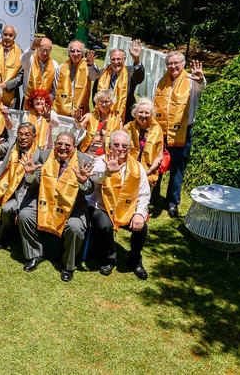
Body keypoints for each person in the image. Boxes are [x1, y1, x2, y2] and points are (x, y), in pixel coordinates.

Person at [19, 131, 95, 282]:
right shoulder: (45, 155)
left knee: (75, 227)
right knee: (25, 215)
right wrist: (29, 175)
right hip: (45, 201)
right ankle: (34, 254)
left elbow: (90, 189)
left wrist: (83, 182)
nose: (63, 147)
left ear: (75, 146)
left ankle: (68, 265)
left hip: (72, 206)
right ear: (54, 144)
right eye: (59, 143)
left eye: (67, 145)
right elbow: (35, 182)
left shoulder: (85, 160)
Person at [88, 130, 151, 280]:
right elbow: (95, 178)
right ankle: (109, 258)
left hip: (125, 210)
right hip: (101, 206)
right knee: (105, 225)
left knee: (142, 227)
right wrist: (107, 171)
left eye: (124, 146)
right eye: (116, 145)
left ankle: (135, 259)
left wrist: (139, 214)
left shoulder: (137, 167)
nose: (120, 149)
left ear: (129, 148)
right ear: (110, 147)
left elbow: (144, 194)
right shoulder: (100, 161)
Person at [153, 52, 205, 217]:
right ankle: (153, 195)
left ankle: (172, 202)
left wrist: (201, 79)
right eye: (170, 63)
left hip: (182, 131)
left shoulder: (191, 80)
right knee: (157, 163)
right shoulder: (160, 81)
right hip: (161, 130)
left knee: (177, 168)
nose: (173, 67)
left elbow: (200, 87)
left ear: (183, 64)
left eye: (177, 63)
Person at [0, 122, 38, 250]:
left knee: (7, 209)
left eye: (27, 135)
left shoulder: (39, 154)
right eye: (20, 134)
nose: (23, 137)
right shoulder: (12, 142)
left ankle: (3, 236)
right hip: (4, 182)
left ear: (34, 136)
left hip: (21, 190)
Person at [88, 41, 144, 122]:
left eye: (118, 59)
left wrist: (136, 60)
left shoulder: (130, 72)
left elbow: (139, 78)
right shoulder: (103, 72)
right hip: (103, 115)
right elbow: (95, 94)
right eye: (113, 59)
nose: (116, 62)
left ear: (124, 60)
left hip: (124, 116)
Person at [125, 98, 165, 187]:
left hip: (148, 171)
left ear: (151, 114)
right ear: (135, 113)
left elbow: (159, 157)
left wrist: (148, 171)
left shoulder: (157, 130)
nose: (143, 115)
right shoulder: (128, 127)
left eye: (147, 113)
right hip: (128, 168)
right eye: (140, 112)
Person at [76, 89, 123, 156]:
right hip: (88, 152)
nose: (104, 105)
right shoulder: (90, 116)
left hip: (106, 155)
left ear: (112, 103)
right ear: (97, 102)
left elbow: (120, 139)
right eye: (101, 102)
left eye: (107, 102)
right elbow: (80, 126)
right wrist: (78, 121)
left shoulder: (118, 120)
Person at [52, 40, 91, 117]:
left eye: (78, 51)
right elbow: (56, 88)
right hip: (62, 111)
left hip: (81, 112)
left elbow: (95, 76)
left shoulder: (88, 67)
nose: (75, 54)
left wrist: (91, 64)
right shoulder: (61, 68)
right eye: (72, 51)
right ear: (69, 53)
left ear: (83, 53)